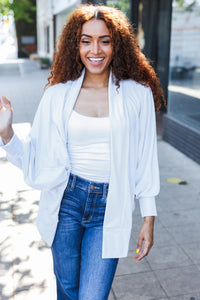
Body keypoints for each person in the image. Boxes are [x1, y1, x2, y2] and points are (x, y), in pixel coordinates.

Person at [0, 4, 165, 300]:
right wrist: (6, 133)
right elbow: (33, 158)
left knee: (91, 296)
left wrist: (148, 217)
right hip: (66, 202)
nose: (95, 50)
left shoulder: (136, 94)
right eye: (86, 40)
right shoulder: (57, 95)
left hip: (110, 204)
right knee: (68, 291)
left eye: (105, 40)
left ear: (117, 44)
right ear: (75, 45)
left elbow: (145, 160)